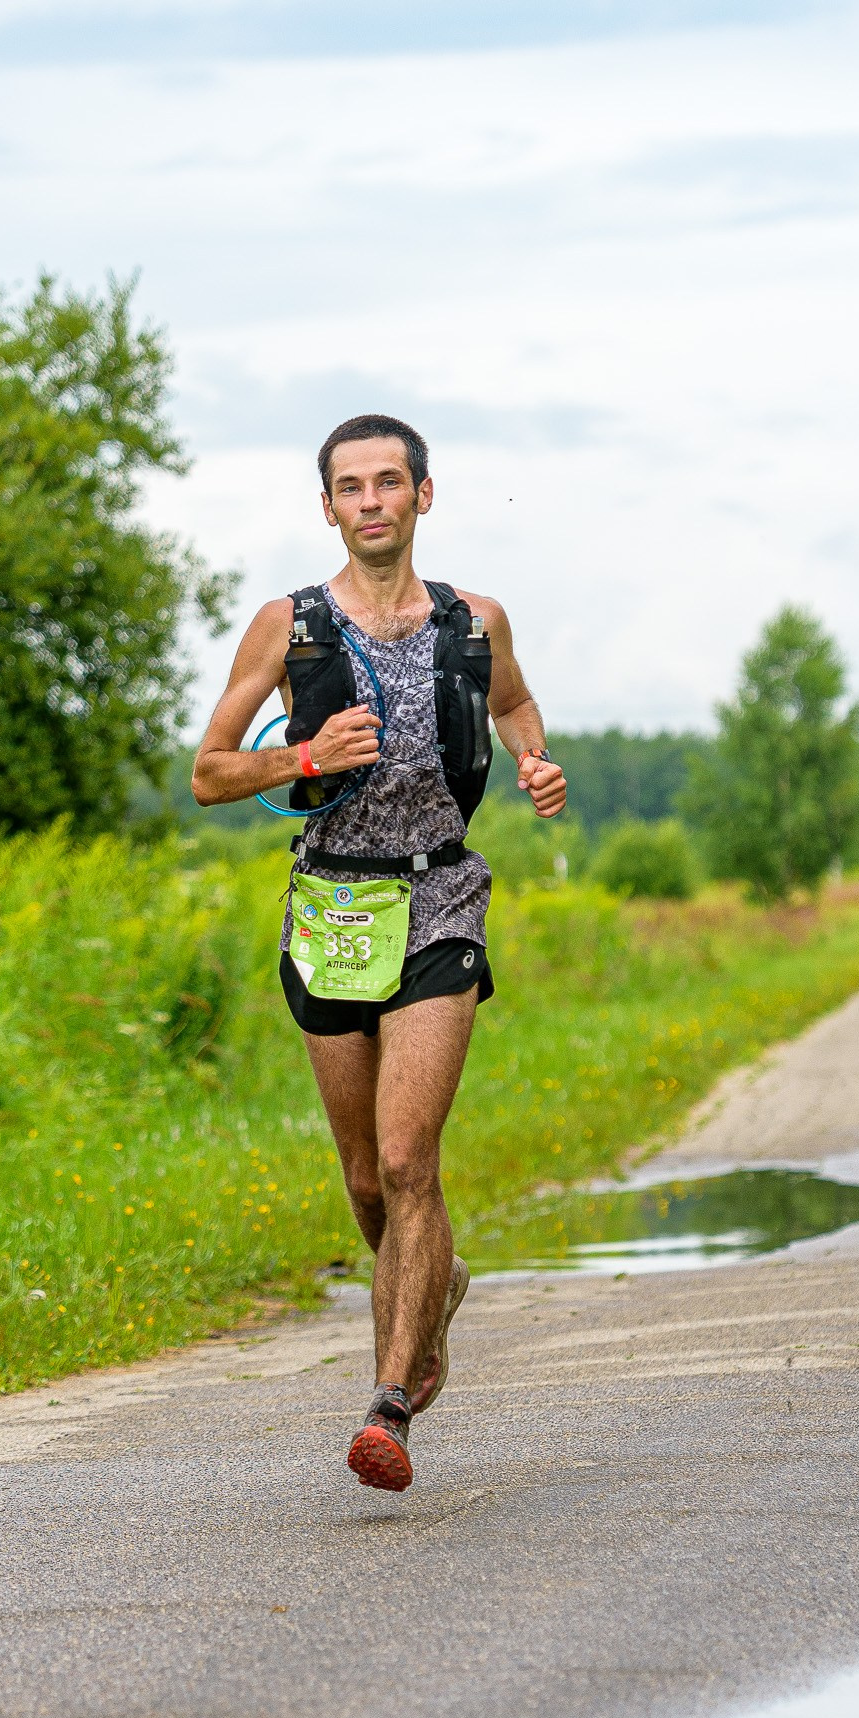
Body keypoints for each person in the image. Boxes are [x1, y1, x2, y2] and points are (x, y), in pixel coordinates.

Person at [193, 415, 567, 1492]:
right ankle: (430, 1287)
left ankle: (389, 1403)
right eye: (349, 487)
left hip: (439, 894)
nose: (370, 501)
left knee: (410, 1161)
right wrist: (302, 756)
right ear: (326, 508)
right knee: (365, 1183)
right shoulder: (287, 626)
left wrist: (533, 761)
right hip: (330, 907)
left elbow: (516, 706)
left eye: (387, 483)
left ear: (422, 497)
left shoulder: (474, 620)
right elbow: (209, 772)